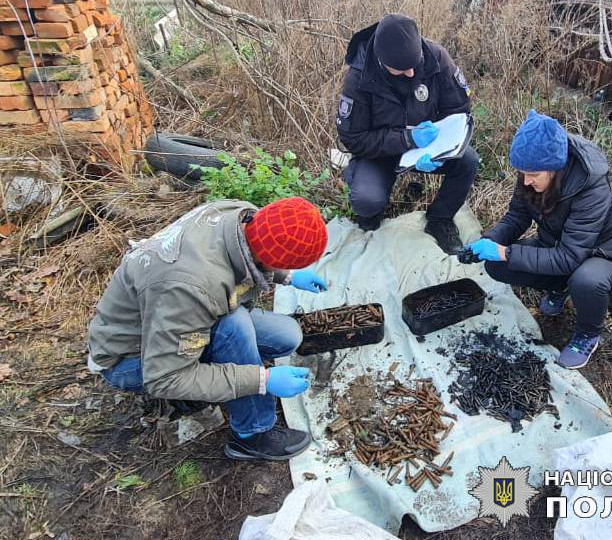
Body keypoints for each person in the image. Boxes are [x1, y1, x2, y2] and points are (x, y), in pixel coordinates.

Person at [87, 197, 329, 460]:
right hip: (131, 358)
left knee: (286, 335)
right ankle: (251, 435)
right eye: (288, 265)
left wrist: (288, 277)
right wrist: (263, 380)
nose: (288, 269)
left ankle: (223, 368)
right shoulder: (192, 288)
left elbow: (259, 251)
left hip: (177, 318)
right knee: (233, 327)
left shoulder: (237, 214)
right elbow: (165, 378)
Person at [466, 110, 612, 369]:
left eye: (533, 174)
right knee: (496, 265)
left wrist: (506, 252)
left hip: (604, 259)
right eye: (522, 173)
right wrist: (489, 241)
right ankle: (560, 287)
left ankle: (588, 334)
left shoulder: (591, 186)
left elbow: (571, 257)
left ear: (555, 168)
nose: (526, 180)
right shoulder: (532, 168)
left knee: (586, 280)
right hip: (557, 248)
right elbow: (516, 217)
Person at [336, 13, 478, 254]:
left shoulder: (436, 57)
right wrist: (406, 139)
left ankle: (440, 220)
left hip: (428, 146)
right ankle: (370, 213)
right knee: (367, 199)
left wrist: (441, 148)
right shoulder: (358, 77)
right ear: (382, 61)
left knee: (468, 161)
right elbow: (354, 138)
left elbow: (459, 109)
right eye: (401, 70)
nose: (411, 74)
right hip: (380, 153)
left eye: (415, 64)